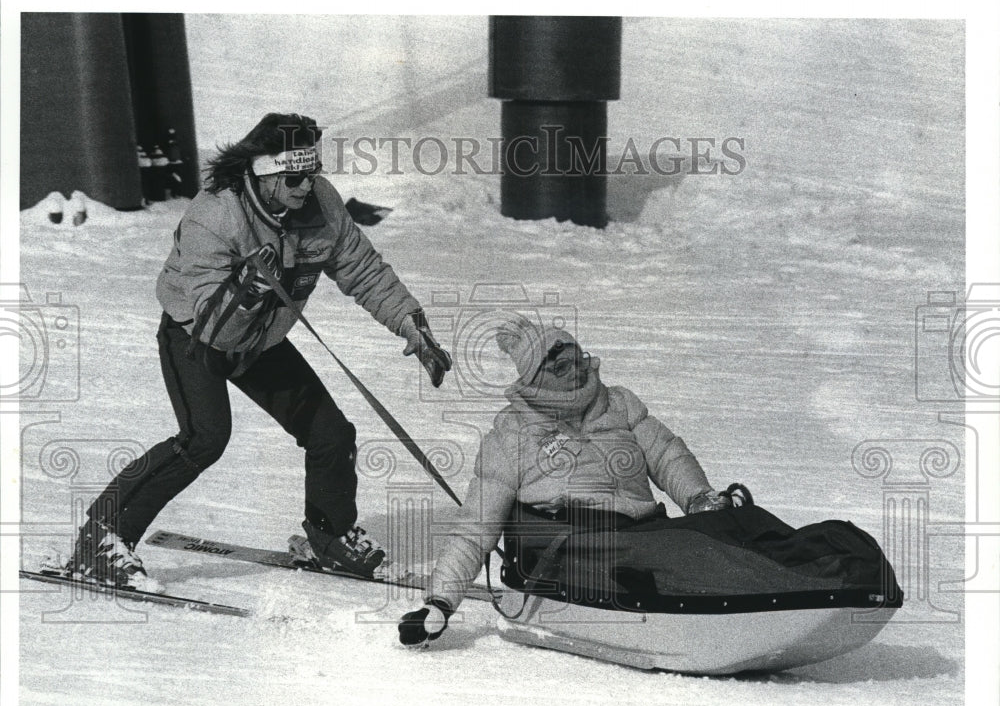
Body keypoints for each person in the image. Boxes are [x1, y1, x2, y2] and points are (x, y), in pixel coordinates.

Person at [63, 112, 451, 590]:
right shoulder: (217, 213)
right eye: (294, 177)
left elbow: (360, 267)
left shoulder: (320, 205)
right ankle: (101, 541)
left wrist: (410, 323)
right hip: (195, 338)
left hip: (260, 342)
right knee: (204, 438)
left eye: (312, 173)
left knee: (330, 433)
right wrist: (243, 294)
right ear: (264, 173)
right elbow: (208, 320)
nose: (306, 186)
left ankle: (329, 537)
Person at [398, 318, 732, 646]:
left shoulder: (618, 404)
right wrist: (439, 603)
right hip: (575, 555)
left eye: (576, 360)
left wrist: (699, 499)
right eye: (559, 368)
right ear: (535, 380)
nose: (574, 371)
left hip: (644, 539)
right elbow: (475, 528)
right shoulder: (511, 436)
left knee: (723, 553)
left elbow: (666, 454)